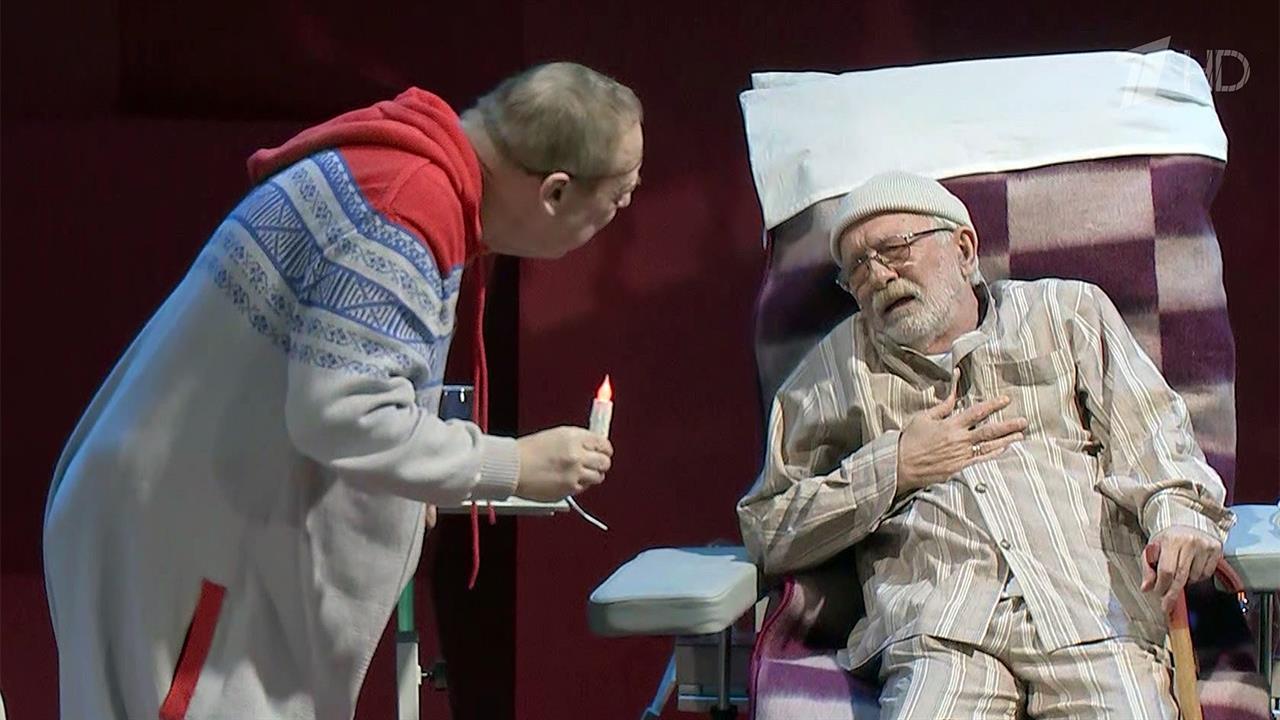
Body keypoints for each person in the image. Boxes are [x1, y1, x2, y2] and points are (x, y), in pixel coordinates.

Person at [43, 62, 643, 720]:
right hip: (182, 554)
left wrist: (414, 477)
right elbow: (341, 414)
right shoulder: (404, 213)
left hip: (174, 528)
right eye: (619, 197)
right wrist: (511, 464)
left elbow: (330, 383)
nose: (623, 213)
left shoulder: (404, 174)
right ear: (555, 192)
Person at [737, 171, 1233, 718]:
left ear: (964, 248)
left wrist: (1178, 518)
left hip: (1090, 613)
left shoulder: (1066, 312)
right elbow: (768, 528)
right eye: (856, 268)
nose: (877, 276)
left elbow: (1155, 436)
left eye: (895, 249)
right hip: (939, 631)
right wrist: (894, 467)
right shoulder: (834, 373)